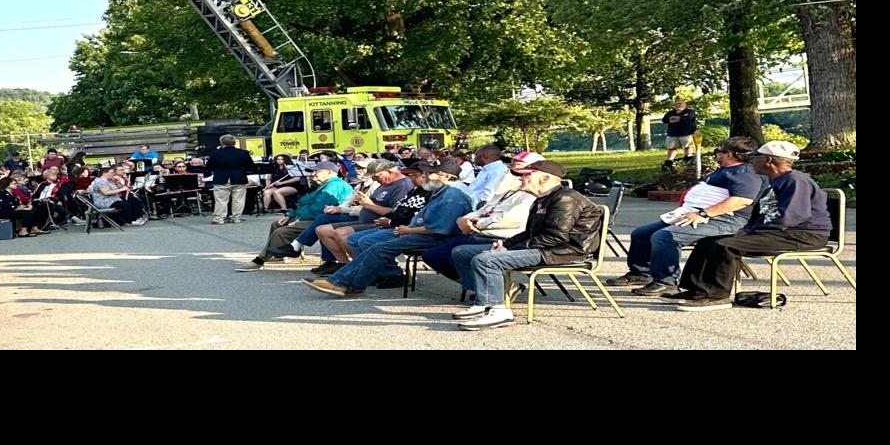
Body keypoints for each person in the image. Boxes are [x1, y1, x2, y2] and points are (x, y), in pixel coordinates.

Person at [671, 141, 832, 309]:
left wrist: (754, 232)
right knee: (707, 242)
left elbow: (792, 216)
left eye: (756, 157)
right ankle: (696, 290)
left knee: (725, 246)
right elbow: (761, 213)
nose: (751, 161)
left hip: (802, 234)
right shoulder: (774, 180)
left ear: (768, 160)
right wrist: (748, 229)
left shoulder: (795, 181)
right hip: (779, 231)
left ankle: (715, 296)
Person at [606, 137, 767, 296]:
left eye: (718, 151)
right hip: (697, 214)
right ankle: (641, 274)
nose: (716, 155)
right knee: (642, 234)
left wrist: (703, 213)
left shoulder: (745, 173)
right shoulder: (729, 170)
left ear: (729, 154)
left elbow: (741, 201)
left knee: (665, 237)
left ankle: (666, 282)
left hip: (725, 219)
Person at [454, 160, 604, 330]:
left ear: (545, 179)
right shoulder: (542, 199)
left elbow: (556, 237)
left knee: (487, 260)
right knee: (462, 252)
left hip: (564, 251)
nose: (521, 179)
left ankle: (499, 312)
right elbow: (529, 233)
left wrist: (511, 250)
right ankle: (484, 302)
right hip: (546, 247)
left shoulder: (565, 199)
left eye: (527, 175)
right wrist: (505, 245)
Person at [302, 160, 473, 296]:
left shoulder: (453, 196)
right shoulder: (442, 192)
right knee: (372, 244)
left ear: (447, 177)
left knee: (378, 247)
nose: (426, 176)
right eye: (426, 173)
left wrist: (408, 230)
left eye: (431, 174)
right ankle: (347, 283)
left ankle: (342, 283)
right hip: (416, 231)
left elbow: (438, 230)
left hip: (433, 238)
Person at [235, 163, 351, 271]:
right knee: (276, 224)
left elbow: (318, 209)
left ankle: (260, 260)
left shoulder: (334, 186)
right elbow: (307, 204)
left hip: (321, 219)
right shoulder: (327, 184)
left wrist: (297, 220)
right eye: (313, 171)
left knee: (281, 232)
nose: (313, 174)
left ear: (330, 172)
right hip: (313, 217)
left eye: (317, 171)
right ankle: (279, 254)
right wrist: (291, 216)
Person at [206, 135, 254, 224]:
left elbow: (209, 167)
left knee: (221, 200)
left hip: (221, 178)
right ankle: (236, 218)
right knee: (238, 200)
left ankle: (219, 218)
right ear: (234, 142)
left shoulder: (215, 153)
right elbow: (250, 166)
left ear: (221, 143)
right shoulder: (243, 153)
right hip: (239, 178)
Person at [662, 101, 699, 170]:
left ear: (685, 105)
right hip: (672, 133)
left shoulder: (690, 112)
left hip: (686, 133)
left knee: (688, 146)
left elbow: (688, 118)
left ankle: (688, 160)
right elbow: (665, 120)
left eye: (680, 104)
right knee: (671, 148)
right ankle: (669, 162)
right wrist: (673, 119)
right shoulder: (670, 113)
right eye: (676, 104)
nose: (678, 105)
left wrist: (677, 119)